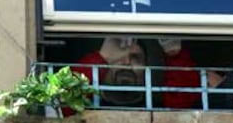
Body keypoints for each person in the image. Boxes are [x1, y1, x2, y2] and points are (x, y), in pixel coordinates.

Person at [72, 37, 202, 110]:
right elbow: (60, 97)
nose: (127, 62)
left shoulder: (159, 109)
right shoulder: (82, 107)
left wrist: (175, 56)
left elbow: (185, 102)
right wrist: (102, 57)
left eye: (136, 58)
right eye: (117, 58)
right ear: (102, 66)